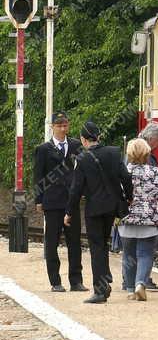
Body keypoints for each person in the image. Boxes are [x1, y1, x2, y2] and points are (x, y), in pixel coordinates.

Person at [64, 120, 132, 304]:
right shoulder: (113, 152)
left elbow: (75, 189)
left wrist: (69, 212)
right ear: (99, 136)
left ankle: (100, 290)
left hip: (94, 209)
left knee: (96, 247)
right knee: (104, 243)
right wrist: (129, 197)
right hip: (111, 207)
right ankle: (105, 276)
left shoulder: (82, 159)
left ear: (83, 139)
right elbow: (126, 177)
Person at [33, 111, 84, 292]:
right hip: (52, 201)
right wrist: (39, 199)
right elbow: (38, 176)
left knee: (74, 242)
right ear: (52, 126)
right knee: (52, 241)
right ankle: (55, 281)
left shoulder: (76, 146)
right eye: (59, 125)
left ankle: (76, 280)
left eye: (65, 125)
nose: (63, 128)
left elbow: (81, 171)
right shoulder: (43, 149)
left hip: (71, 201)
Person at [119, 138, 158, 302]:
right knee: (145, 254)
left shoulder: (122, 172)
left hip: (127, 219)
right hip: (150, 220)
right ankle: (140, 283)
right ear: (147, 154)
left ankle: (129, 289)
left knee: (128, 254)